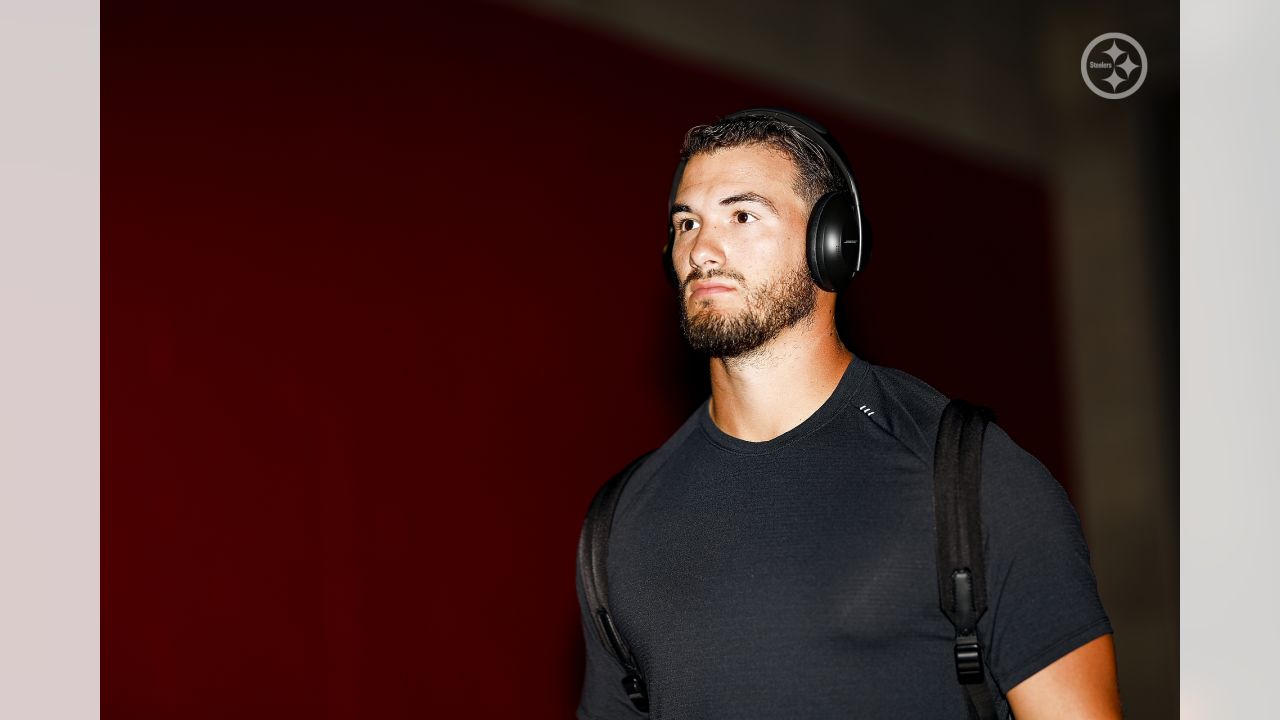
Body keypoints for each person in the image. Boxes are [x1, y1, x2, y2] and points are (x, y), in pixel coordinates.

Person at [576, 109, 1122, 719]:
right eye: (686, 222)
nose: (702, 248)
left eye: (742, 214)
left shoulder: (972, 478)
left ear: (831, 242)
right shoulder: (620, 522)